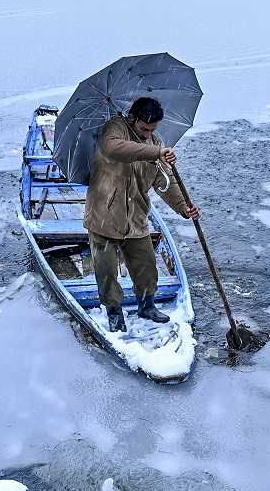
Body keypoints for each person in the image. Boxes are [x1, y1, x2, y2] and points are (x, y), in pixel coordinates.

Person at [83, 97, 200, 333]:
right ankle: (114, 312)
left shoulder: (155, 143)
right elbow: (112, 148)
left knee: (146, 267)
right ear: (132, 118)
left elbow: (164, 182)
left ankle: (146, 305)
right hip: (104, 216)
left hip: (136, 218)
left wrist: (183, 207)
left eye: (153, 130)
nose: (148, 134)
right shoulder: (115, 129)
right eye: (144, 129)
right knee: (106, 272)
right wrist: (155, 152)